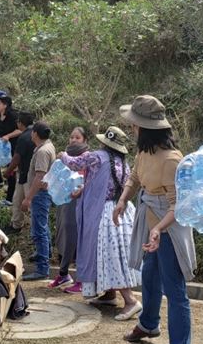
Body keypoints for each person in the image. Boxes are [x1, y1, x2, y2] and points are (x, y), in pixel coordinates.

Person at [114, 95, 195, 344]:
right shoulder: (144, 152)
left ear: (146, 129)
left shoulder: (172, 160)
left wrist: (159, 228)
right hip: (151, 223)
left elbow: (178, 206)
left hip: (168, 228)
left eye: (135, 126)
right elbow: (135, 177)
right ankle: (149, 324)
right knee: (149, 277)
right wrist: (124, 199)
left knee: (174, 289)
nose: (132, 129)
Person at [61, 126, 142, 319]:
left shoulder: (97, 157)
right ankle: (109, 293)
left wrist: (62, 155)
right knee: (114, 254)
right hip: (122, 211)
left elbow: (74, 163)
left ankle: (130, 301)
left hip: (103, 212)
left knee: (109, 255)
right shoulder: (123, 161)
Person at [50, 127, 89, 293]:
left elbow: (88, 180)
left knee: (76, 238)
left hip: (78, 203)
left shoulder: (88, 157)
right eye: (71, 137)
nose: (73, 140)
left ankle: (81, 279)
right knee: (63, 235)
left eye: (77, 137)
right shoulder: (62, 157)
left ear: (84, 140)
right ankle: (64, 273)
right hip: (63, 202)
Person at [21, 121, 57, 281]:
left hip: (40, 194)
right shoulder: (48, 146)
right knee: (43, 226)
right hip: (44, 193)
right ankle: (45, 254)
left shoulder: (43, 151)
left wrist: (28, 198)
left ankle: (42, 268)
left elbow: (39, 176)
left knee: (39, 230)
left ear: (35, 133)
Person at [4, 112, 35, 235]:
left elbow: (17, 157)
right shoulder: (35, 133)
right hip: (25, 174)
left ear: (20, 123)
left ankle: (34, 231)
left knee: (30, 205)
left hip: (28, 176)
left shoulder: (24, 137)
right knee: (17, 199)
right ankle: (16, 224)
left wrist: (8, 171)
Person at [0, 96, 22, 204]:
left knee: (11, 170)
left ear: (5, 105)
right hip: (4, 145)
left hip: (15, 145)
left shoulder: (13, 116)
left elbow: (20, 130)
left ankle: (10, 199)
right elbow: (0, 131)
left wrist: (8, 136)